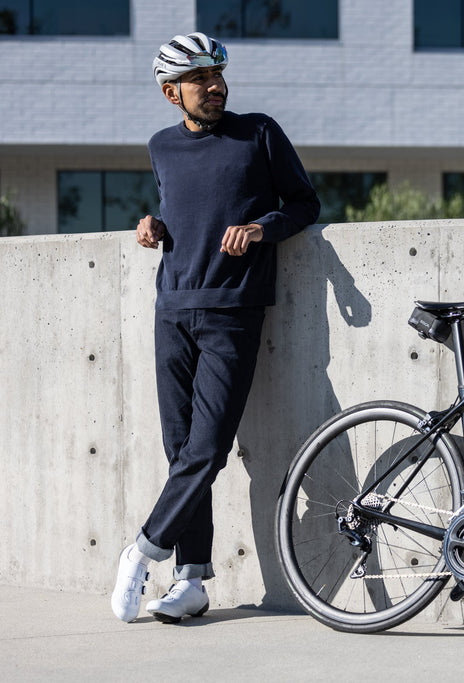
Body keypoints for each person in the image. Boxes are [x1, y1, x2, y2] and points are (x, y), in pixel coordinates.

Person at [111, 32, 320, 623]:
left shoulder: (259, 133)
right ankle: (192, 580)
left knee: (207, 448)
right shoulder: (161, 146)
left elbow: (305, 204)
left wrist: (260, 228)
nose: (215, 87)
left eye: (218, 76)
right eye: (200, 80)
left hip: (233, 310)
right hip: (172, 308)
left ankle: (143, 549)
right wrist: (152, 226)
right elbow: (182, 210)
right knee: (180, 449)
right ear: (171, 93)